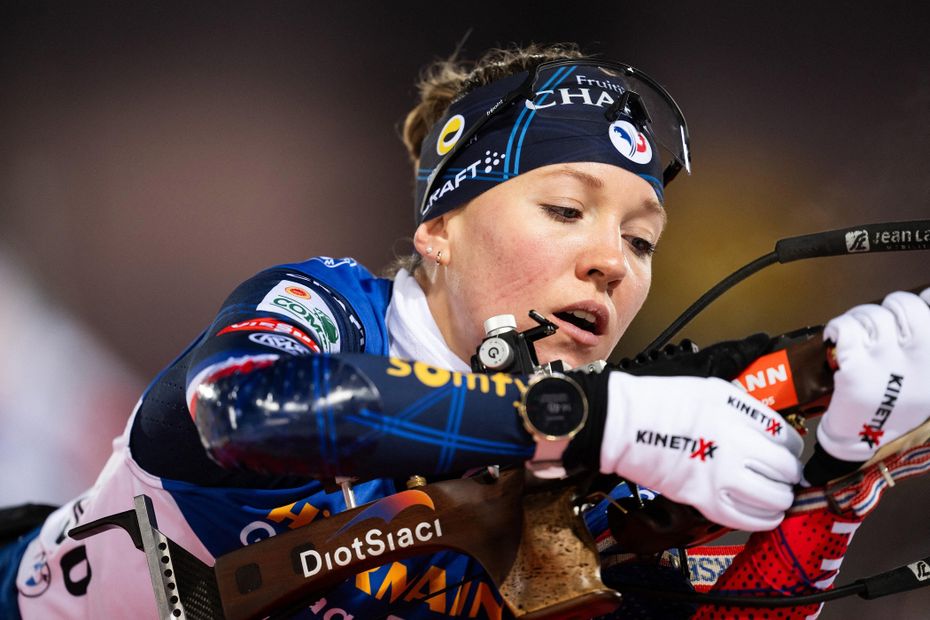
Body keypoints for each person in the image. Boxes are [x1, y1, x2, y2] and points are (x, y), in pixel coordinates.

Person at [2, 43, 929, 620]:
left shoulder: (594, 488)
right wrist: (599, 418)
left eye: (641, 239)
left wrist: (836, 474)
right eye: (567, 209)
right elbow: (240, 413)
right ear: (438, 231)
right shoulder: (334, 309)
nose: (615, 260)